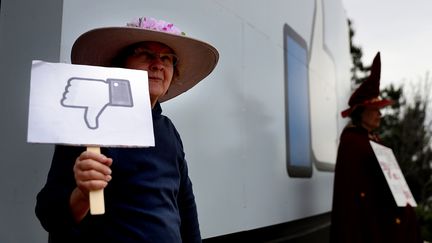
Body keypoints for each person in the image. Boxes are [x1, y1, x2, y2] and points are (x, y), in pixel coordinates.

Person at [35, 17, 219, 243]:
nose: (158, 65)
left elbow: (185, 204)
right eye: (145, 54)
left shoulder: (168, 131)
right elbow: (48, 214)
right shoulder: (89, 122)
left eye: (167, 59)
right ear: (119, 65)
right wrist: (82, 194)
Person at [329, 52, 423, 243]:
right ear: (361, 113)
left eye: (380, 110)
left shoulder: (373, 139)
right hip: (366, 222)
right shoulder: (352, 143)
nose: (380, 114)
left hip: (381, 213)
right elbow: (355, 194)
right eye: (375, 110)